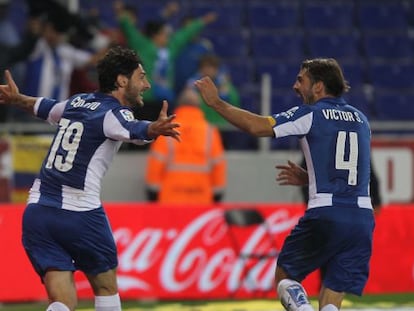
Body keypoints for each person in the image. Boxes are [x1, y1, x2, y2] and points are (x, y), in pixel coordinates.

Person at [0, 46, 180, 311]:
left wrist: (16, 99)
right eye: (141, 77)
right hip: (79, 212)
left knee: (61, 301)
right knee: (106, 287)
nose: (147, 84)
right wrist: (154, 128)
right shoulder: (114, 113)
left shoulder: (76, 102)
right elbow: (133, 129)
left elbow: (42, 106)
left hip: (38, 211)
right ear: (122, 80)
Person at [195, 58, 375, 311]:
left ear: (319, 87)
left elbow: (257, 127)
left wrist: (216, 103)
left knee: (285, 277)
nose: (294, 86)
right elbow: (351, 167)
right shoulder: (361, 120)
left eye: (301, 80)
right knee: (333, 293)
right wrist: (310, 177)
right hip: (361, 220)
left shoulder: (311, 113)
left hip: (326, 213)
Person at [116, 0, 217, 120]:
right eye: (164, 34)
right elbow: (128, 27)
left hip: (165, 101)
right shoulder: (142, 45)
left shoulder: (170, 47)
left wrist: (202, 21)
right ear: (156, 35)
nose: (167, 36)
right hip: (144, 99)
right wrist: (121, 11)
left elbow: (185, 33)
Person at [145, 88, 226, 204]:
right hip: (201, 198)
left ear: (179, 105)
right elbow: (218, 165)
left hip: (170, 198)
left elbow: (156, 162)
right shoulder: (210, 131)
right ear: (199, 107)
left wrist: (152, 193)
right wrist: (217, 194)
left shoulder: (166, 128)